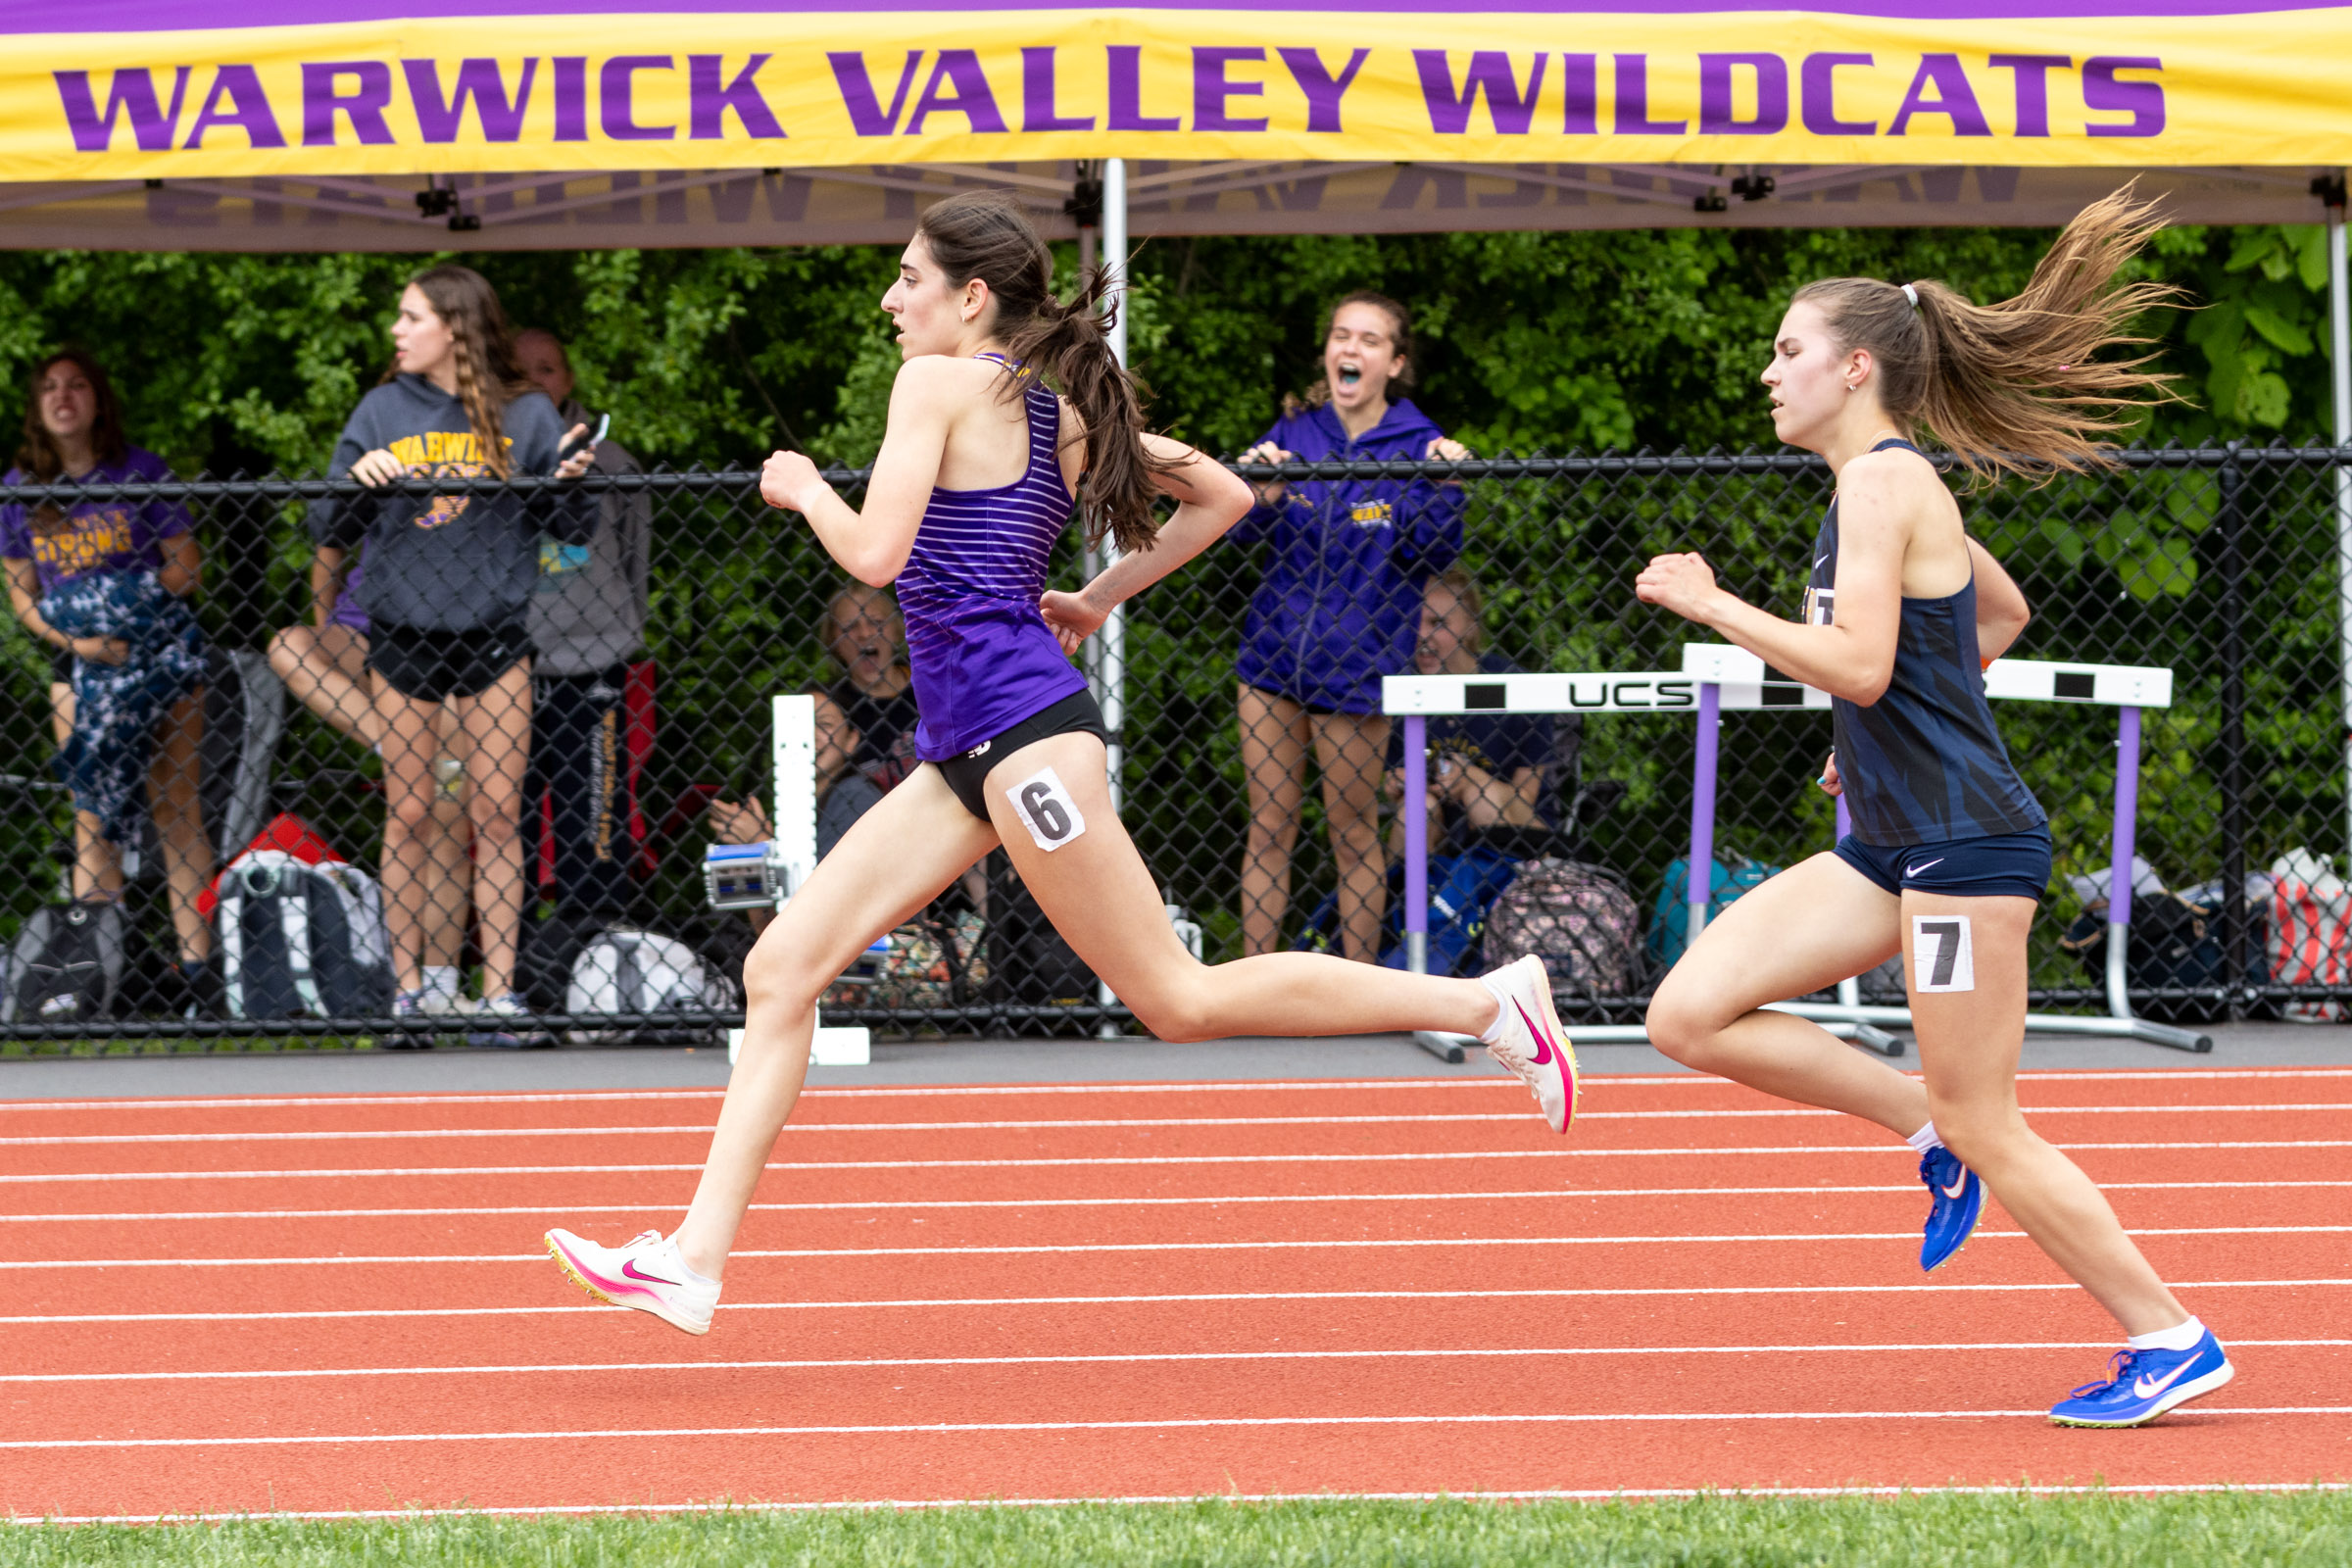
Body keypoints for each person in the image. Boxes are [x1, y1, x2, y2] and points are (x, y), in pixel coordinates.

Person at [544, 191, 1576, 1333]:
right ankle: (694, 1258)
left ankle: (1488, 1003)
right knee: (783, 968)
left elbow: (875, 553)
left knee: (1177, 999)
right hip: (965, 749)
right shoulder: (1061, 407)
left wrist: (803, 490)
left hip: (1025, 739)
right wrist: (1092, 596)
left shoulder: (936, 384)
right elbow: (1225, 493)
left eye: (908, 279)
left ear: (970, 296)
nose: (891, 300)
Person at [1637, 189, 2230, 1429]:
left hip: (1964, 847)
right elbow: (1991, 616)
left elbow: (1856, 661)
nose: (1767, 373)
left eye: (1787, 352)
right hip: (1891, 838)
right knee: (1687, 1011)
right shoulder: (1878, 488)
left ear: (1856, 368)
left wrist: (1715, 605)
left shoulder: (1880, 486)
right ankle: (1922, 1124)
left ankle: (2169, 1335)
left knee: (1992, 1116)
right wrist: (1876, 737)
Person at [307, 265, 596, 1042]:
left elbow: (572, 531)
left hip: (495, 637)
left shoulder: (526, 414)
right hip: (402, 635)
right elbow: (324, 528)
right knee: (408, 815)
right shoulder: (380, 408)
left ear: (454, 328)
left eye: (410, 318)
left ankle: (495, 993)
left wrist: (570, 479)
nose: (397, 332)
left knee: (497, 815)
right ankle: (412, 994)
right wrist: (359, 484)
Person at [1231, 293, 1468, 962]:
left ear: (1394, 363)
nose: (1351, 350)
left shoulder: (1423, 444)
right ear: (1328, 352)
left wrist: (1447, 489)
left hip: (1358, 671)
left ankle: (1355, 996)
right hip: (1270, 662)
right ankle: (1250, 991)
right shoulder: (1293, 433)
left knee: (1353, 833)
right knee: (1269, 828)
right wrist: (1258, 497)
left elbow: (1432, 553)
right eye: (1341, 336)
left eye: (1369, 340)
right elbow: (1234, 530)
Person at [1, 350, 217, 1011]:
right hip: (83, 667)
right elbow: (23, 601)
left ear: (98, 401)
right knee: (93, 819)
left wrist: (128, 609)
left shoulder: (141, 472)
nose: (63, 396)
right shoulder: (19, 488)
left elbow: (186, 568)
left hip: (158, 655)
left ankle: (198, 973)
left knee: (176, 808)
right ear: (37, 406)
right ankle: (95, 973)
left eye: (77, 385)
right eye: (50, 388)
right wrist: (85, 641)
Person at [267, 546, 477, 1016]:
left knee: (443, 815)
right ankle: (398, 746)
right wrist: (331, 623)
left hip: (453, 630)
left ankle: (440, 986)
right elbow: (329, 549)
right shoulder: (368, 470)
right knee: (288, 646)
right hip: (364, 628)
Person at [515, 328, 654, 918]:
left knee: (594, 820)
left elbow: (635, 556)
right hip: (505, 668)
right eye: (519, 373)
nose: (535, 383)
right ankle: (512, 968)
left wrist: (620, 627)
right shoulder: (487, 456)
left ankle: (592, 952)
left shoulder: (613, 461)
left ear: (568, 380)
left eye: (546, 369)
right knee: (503, 823)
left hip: (592, 661)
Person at [1385, 568, 1557, 859]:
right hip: (1438, 828)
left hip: (1516, 827)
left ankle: (1499, 899)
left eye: (1438, 622)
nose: (1421, 635)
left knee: (1481, 795)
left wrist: (1469, 779)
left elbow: (1525, 798)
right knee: (1417, 809)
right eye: (1412, 621)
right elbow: (1391, 782)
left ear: (1469, 625)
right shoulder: (1399, 688)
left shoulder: (1516, 686)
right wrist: (1398, 785)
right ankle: (1409, 901)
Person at [709, 685, 885, 937]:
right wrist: (753, 853)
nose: (808, 735)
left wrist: (761, 843)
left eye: (823, 724)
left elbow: (824, 908)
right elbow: (772, 931)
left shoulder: (856, 797)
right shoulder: (792, 808)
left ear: (851, 740)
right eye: (799, 723)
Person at [820, 581, 920, 786]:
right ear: (834, 641)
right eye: (850, 626)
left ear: (896, 629)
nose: (865, 633)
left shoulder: (932, 686)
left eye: (876, 622)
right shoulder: (833, 711)